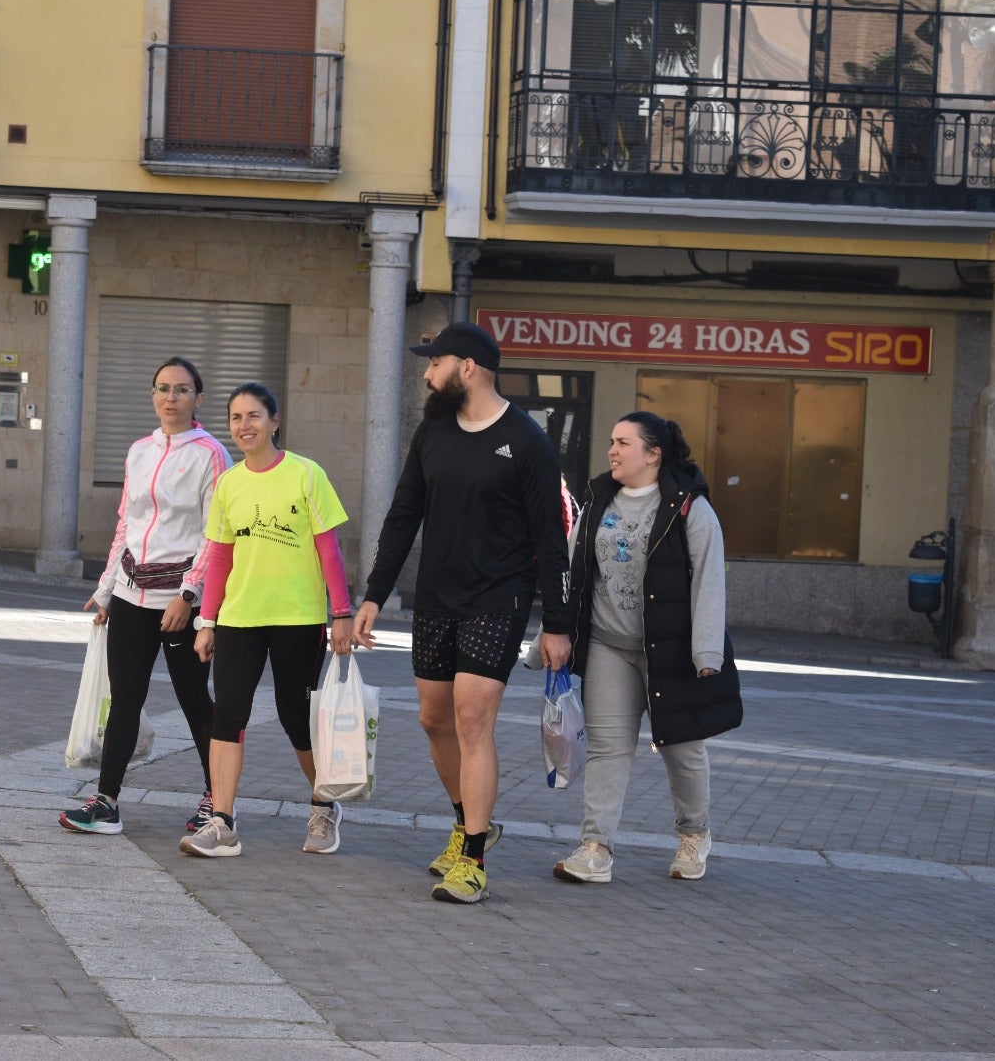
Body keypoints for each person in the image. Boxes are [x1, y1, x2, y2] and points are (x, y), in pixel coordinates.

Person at [353, 321, 570, 904]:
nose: (427, 374)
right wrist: (374, 593)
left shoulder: (527, 441)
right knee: (434, 719)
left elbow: (551, 536)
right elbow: (403, 516)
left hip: (499, 597)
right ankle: (467, 822)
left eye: (435, 363)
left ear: (467, 367)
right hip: (436, 597)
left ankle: (473, 860)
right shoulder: (434, 432)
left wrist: (557, 623)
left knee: (473, 718)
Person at [551, 411, 742, 885]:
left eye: (623, 443)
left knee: (682, 748)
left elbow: (709, 581)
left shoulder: (690, 508)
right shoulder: (598, 500)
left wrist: (707, 655)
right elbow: (573, 576)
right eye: (612, 441)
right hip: (608, 647)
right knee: (607, 750)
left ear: (654, 454)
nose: (612, 450)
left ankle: (694, 835)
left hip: (672, 652)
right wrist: (549, 639)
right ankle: (596, 848)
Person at [180, 382, 355, 859]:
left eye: (254, 416)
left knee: (296, 717)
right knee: (228, 714)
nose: (244, 426)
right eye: (236, 418)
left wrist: (341, 614)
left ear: (275, 421)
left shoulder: (306, 474)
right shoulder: (230, 483)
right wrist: (207, 621)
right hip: (240, 619)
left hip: (298, 619)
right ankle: (223, 822)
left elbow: (329, 549)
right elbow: (220, 558)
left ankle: (323, 804)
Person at [59, 358, 230, 836]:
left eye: (181, 389)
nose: (170, 398)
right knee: (125, 700)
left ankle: (216, 799)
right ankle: (106, 802)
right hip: (132, 596)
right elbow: (126, 525)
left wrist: (190, 596)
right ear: (152, 395)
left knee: (196, 701)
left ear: (199, 397)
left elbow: (216, 535)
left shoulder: (211, 454)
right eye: (162, 388)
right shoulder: (139, 451)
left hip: (180, 602)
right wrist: (107, 590)